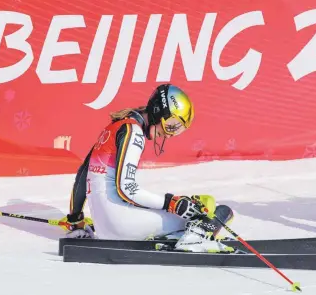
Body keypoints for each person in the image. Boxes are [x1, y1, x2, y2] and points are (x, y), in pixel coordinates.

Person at [59, 83, 235, 253]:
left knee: (187, 209)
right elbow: (126, 189)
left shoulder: (115, 127)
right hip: (120, 226)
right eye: (171, 125)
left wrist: (76, 220)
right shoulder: (133, 132)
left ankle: (178, 236)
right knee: (213, 213)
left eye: (178, 129)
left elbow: (83, 176)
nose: (169, 133)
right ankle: (194, 239)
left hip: (105, 226)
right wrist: (171, 203)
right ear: (158, 111)